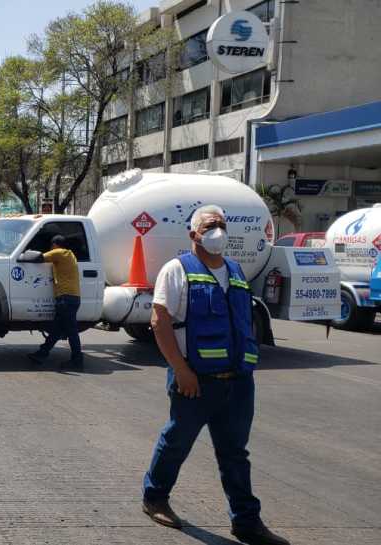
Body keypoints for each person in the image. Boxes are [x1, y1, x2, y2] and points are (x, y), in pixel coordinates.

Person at [141, 205, 289, 545]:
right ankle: (155, 497)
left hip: (237, 382)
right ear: (194, 234)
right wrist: (181, 370)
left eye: (221, 224)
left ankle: (246, 522)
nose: (217, 231)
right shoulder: (177, 270)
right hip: (195, 380)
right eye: (210, 226)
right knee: (177, 442)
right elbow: (159, 321)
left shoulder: (236, 271)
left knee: (235, 452)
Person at [27, 234, 83, 368]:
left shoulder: (58, 252)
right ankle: (41, 354)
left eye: (51, 246)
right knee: (57, 330)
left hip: (66, 298)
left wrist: (25, 254)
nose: (50, 248)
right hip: (72, 298)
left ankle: (77, 361)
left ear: (54, 245)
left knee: (71, 332)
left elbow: (38, 258)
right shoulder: (70, 255)